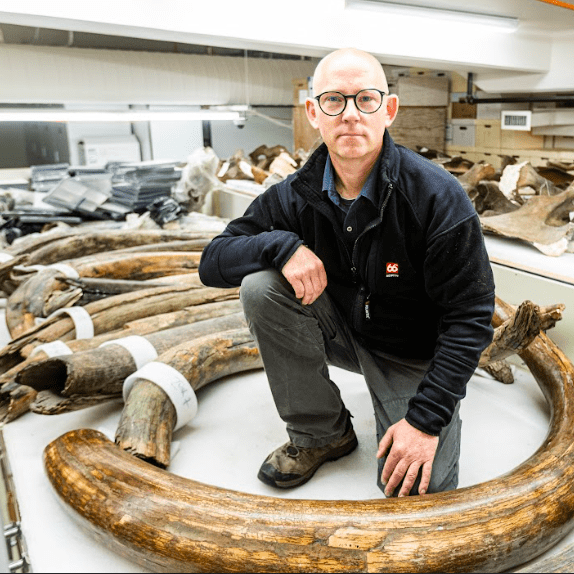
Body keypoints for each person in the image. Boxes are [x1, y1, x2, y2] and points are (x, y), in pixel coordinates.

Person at [198, 47, 495, 497]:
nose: (351, 114)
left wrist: (425, 420)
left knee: (419, 490)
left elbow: (471, 316)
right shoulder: (294, 195)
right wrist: (281, 245)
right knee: (262, 287)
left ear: (388, 109)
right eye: (335, 100)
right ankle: (322, 433)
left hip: (411, 352)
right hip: (342, 330)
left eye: (366, 99)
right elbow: (212, 261)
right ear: (313, 112)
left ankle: (407, 408)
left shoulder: (436, 196)